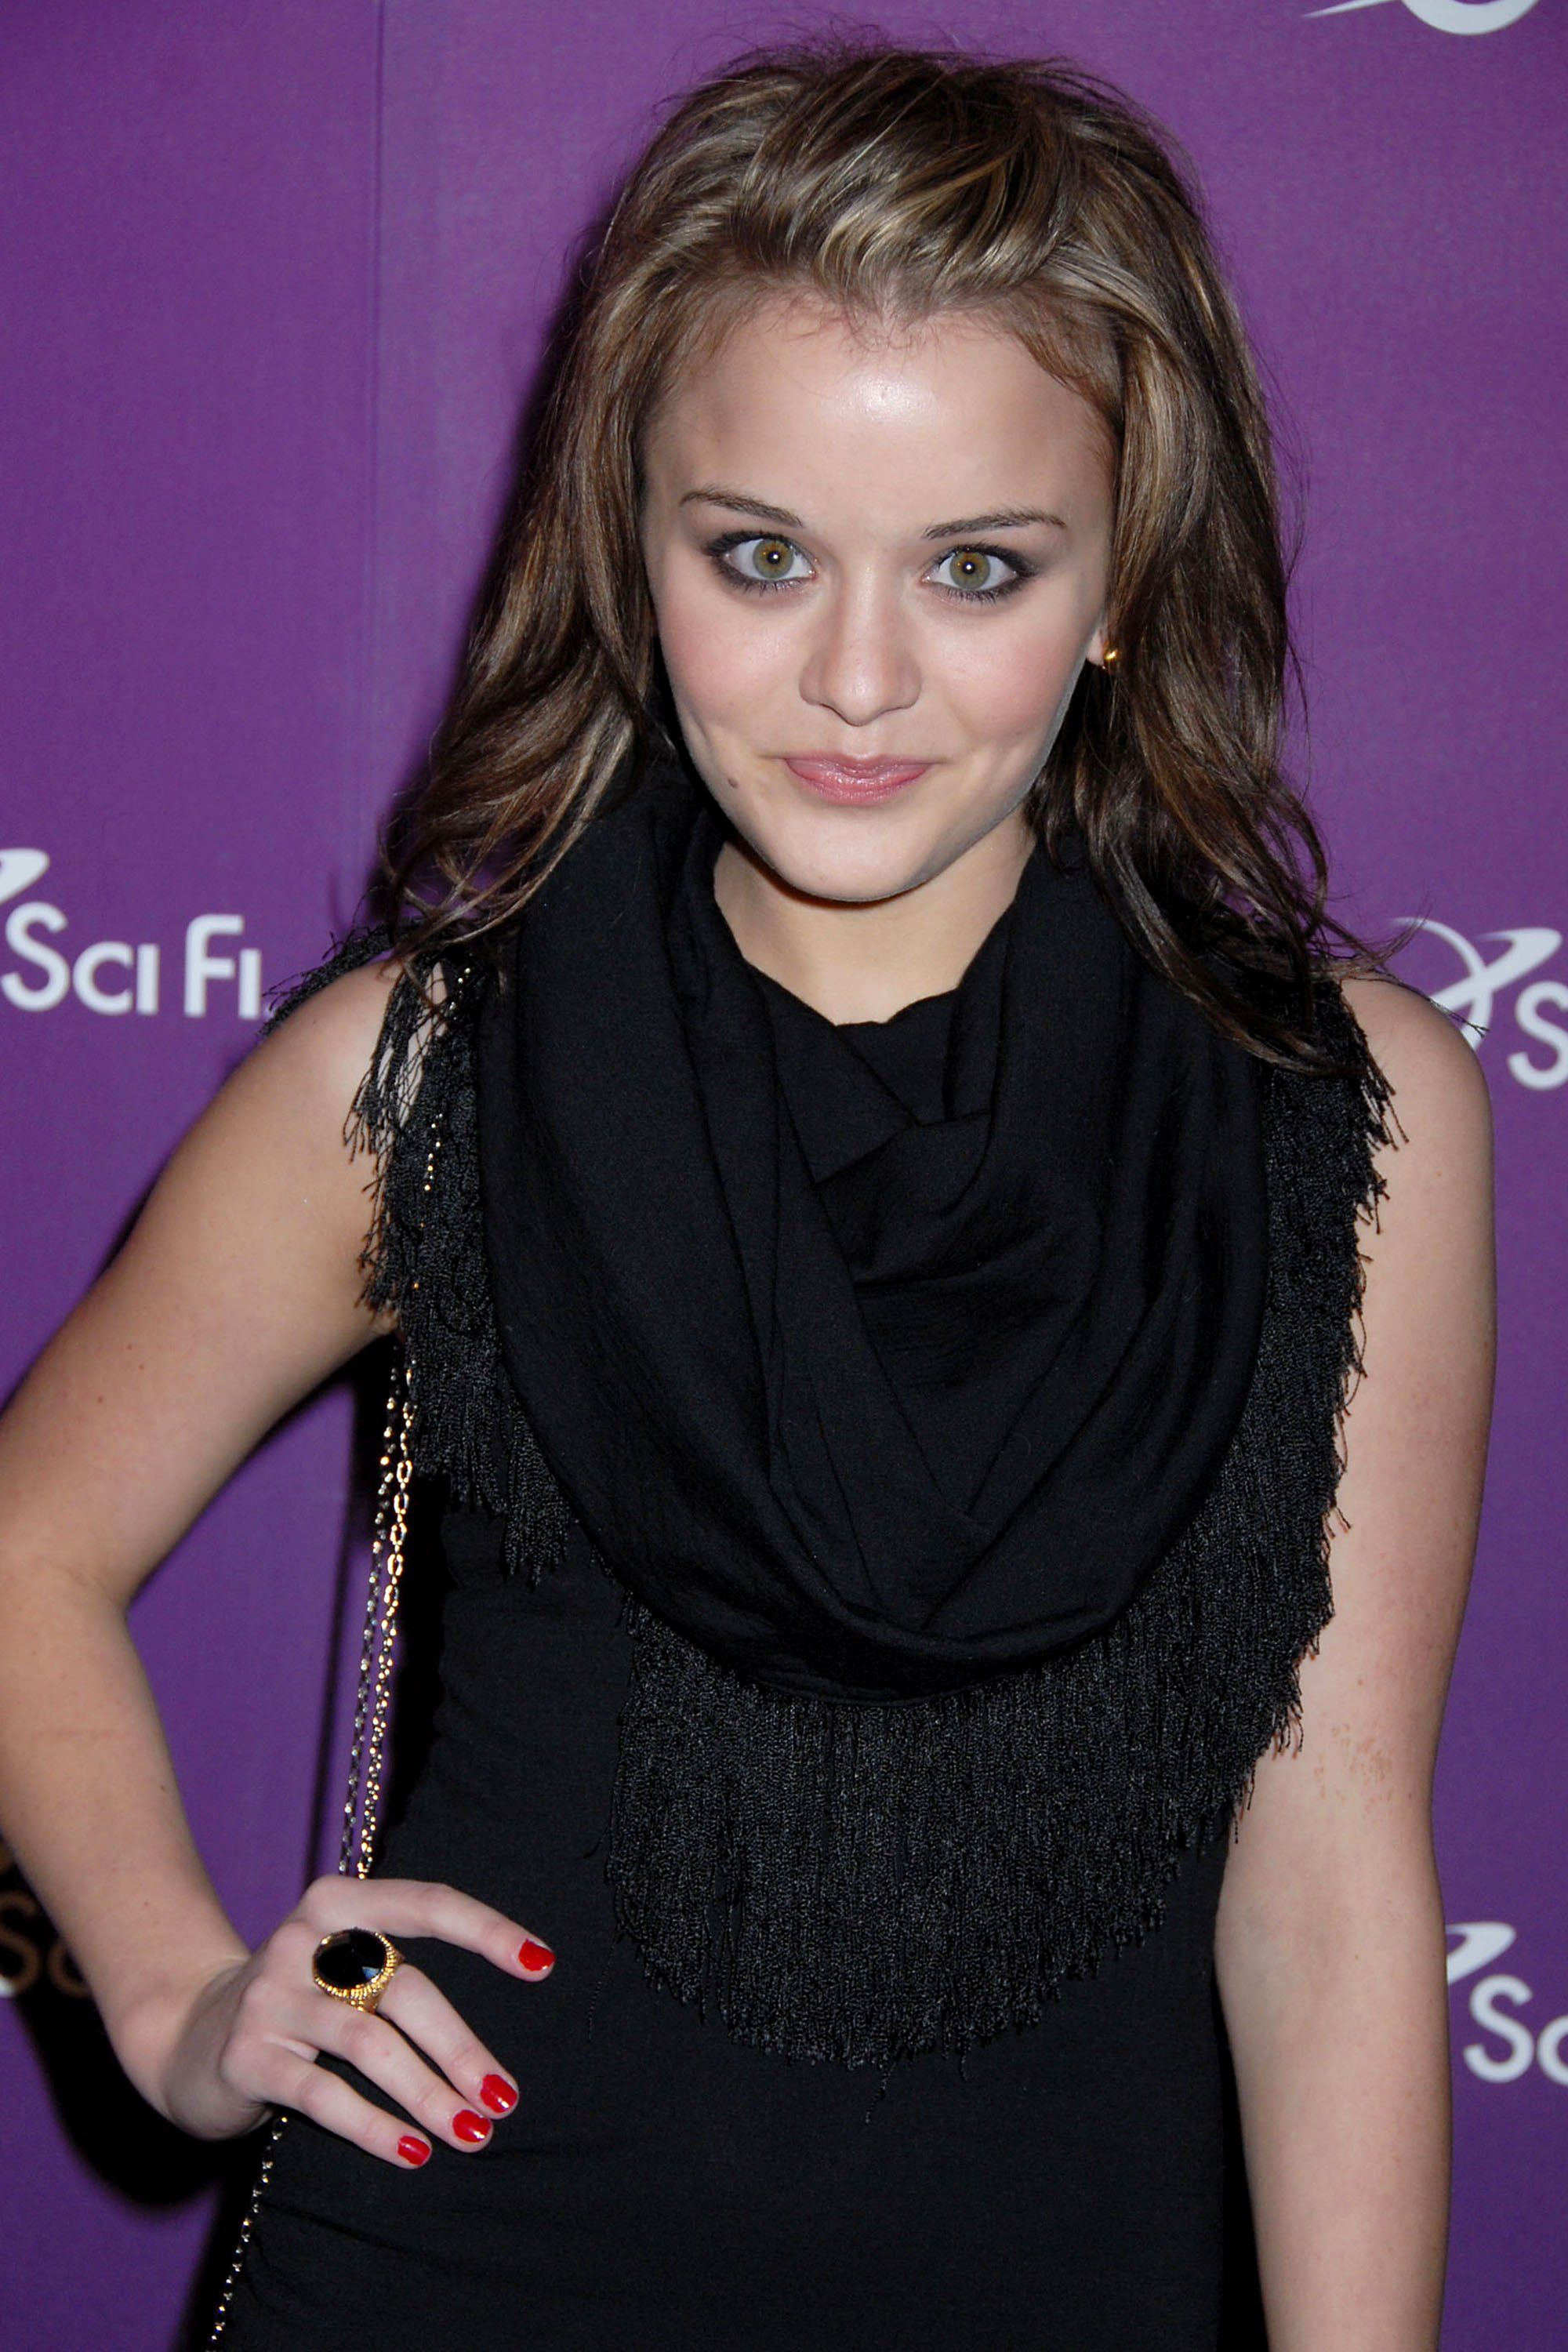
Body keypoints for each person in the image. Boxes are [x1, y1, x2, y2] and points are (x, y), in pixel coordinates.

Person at [0, 38, 1494, 2352]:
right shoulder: (425, 1071)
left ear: (1123, 575)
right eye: (762, 555)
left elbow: (1331, 1878)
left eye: (979, 568)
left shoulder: (1335, 1108)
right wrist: (183, 2004)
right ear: (635, 540)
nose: (860, 680)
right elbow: (25, 1551)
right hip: (453, 2283)